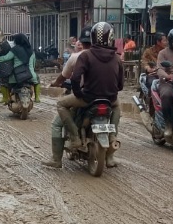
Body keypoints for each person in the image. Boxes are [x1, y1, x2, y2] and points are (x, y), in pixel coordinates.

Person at [44, 21, 123, 169]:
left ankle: (72, 140)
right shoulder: (117, 58)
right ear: (111, 38)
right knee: (117, 108)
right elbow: (121, 85)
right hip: (109, 100)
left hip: (88, 99)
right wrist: (111, 94)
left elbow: (74, 78)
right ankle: (112, 139)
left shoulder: (86, 56)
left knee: (60, 104)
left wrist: (80, 94)